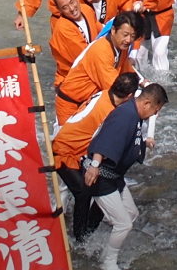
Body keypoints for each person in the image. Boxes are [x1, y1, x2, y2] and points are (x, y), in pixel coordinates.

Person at [82, 83, 167, 270]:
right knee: (124, 224)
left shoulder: (134, 115)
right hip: (100, 175)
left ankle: (101, 248)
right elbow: (106, 139)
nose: (154, 115)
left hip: (114, 177)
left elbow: (129, 141)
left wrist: (144, 143)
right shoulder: (125, 115)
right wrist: (95, 165)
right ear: (146, 103)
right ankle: (108, 263)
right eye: (155, 110)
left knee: (131, 214)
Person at [52, 72, 138, 242]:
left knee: (99, 187)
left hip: (75, 149)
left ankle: (88, 231)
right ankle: (80, 238)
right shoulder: (111, 113)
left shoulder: (105, 93)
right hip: (64, 150)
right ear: (130, 96)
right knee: (83, 192)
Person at [56, 15, 136, 123]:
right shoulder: (101, 51)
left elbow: (126, 70)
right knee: (67, 139)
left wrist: (142, 83)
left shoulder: (121, 46)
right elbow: (115, 89)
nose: (128, 40)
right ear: (113, 30)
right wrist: (139, 101)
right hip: (71, 104)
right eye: (125, 35)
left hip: (88, 103)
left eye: (132, 36)